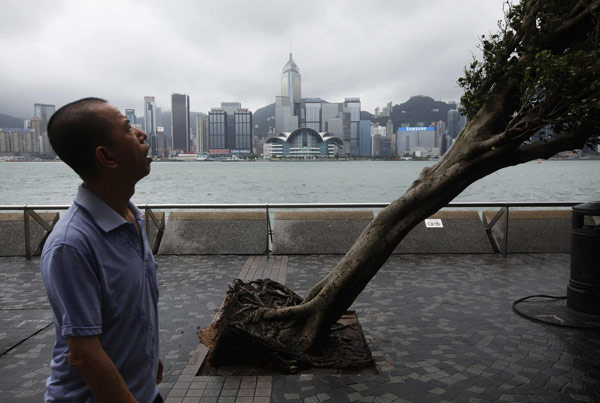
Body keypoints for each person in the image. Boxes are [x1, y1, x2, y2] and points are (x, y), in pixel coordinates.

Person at [40, 97, 163, 402]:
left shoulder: (130, 215)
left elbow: (126, 310)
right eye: (127, 128)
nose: (141, 134)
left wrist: (146, 356)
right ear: (106, 157)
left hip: (143, 391)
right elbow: (84, 355)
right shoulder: (72, 244)